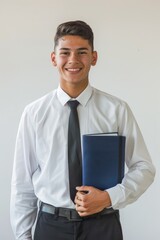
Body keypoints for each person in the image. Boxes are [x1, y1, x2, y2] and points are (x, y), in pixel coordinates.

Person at [10, 20, 155, 240]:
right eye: (65, 52)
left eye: (82, 52)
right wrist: (22, 236)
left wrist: (108, 197)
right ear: (53, 58)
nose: (73, 60)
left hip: (103, 224)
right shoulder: (34, 114)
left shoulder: (116, 110)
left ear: (94, 57)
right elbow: (22, 183)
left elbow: (144, 168)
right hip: (51, 226)